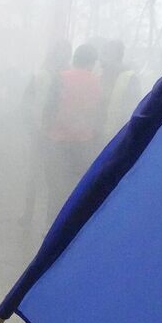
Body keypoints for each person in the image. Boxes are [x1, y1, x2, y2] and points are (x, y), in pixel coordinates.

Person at [43, 43, 103, 221]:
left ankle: (50, 228)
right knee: (75, 190)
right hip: (83, 143)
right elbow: (98, 113)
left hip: (58, 141)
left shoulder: (60, 78)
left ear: (74, 58)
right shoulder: (96, 82)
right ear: (92, 62)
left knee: (55, 190)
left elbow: (50, 109)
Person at [18, 40, 71, 227]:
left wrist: (31, 126)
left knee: (36, 176)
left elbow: (25, 101)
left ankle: (28, 215)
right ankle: (48, 221)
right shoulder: (60, 77)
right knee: (52, 180)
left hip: (40, 131)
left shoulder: (41, 75)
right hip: (51, 134)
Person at [99, 40, 142, 144]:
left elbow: (133, 107)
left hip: (117, 135)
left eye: (106, 54)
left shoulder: (130, 78)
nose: (102, 59)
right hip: (97, 134)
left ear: (117, 56)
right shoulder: (100, 74)